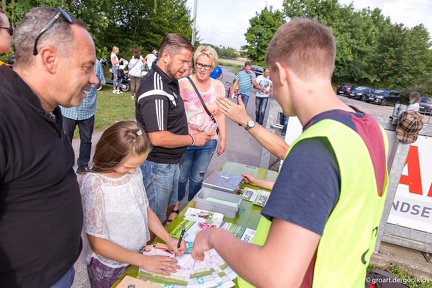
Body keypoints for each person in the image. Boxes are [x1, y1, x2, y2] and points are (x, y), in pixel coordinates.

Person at [192, 18, 389, 287]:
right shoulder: (370, 129)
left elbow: (276, 277)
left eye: (271, 79)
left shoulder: (316, 148)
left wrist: (213, 236)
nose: (272, 89)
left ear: (282, 73)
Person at [0, 7, 99, 287]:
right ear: (50, 59)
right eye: (87, 66)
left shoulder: (47, 106)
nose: (94, 79)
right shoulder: (4, 113)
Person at [80, 121, 186, 287]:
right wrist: (144, 261)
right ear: (110, 156)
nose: (133, 171)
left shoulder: (133, 172)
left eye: (138, 165)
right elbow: (98, 243)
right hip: (111, 267)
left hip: (138, 256)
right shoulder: (94, 184)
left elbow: (145, 209)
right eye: (129, 166)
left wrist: (168, 239)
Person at [136, 34, 212, 225]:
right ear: (166, 56)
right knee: (155, 219)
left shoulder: (169, 80)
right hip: (158, 165)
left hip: (171, 163)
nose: (187, 67)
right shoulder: (157, 90)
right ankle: (150, 252)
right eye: (183, 61)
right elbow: (158, 137)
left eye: (189, 62)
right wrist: (193, 140)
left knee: (168, 212)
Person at [167, 46, 227, 224]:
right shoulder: (183, 84)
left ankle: (192, 208)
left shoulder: (218, 87)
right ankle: (175, 207)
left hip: (208, 141)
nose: (202, 69)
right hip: (186, 140)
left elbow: (220, 114)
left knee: (197, 177)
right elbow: (174, 112)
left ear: (213, 67)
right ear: (194, 63)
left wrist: (223, 138)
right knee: (181, 177)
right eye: (199, 64)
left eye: (207, 66)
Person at [61, 58, 106, 174]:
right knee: (65, 138)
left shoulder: (96, 63)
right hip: (68, 109)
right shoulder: (68, 60)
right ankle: (65, 163)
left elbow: (99, 81)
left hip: (87, 109)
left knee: (86, 139)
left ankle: (83, 164)